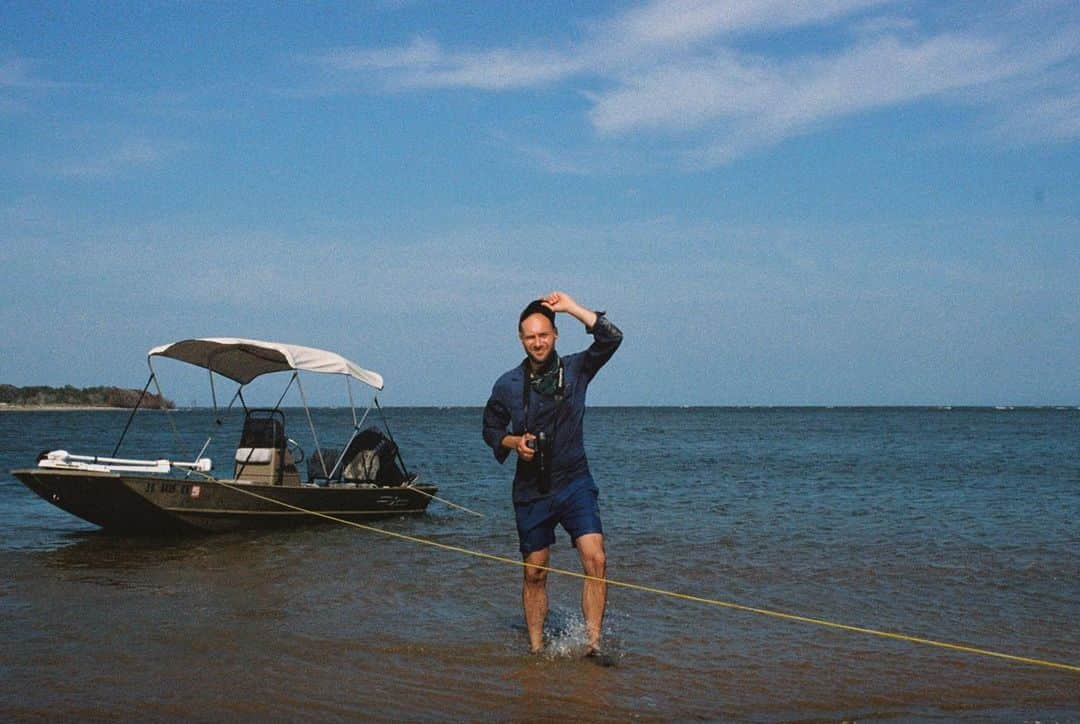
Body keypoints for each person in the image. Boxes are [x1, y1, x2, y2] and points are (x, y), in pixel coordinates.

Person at [482, 291, 623, 656]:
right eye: (530, 337)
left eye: (543, 334)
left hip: (575, 481)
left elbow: (612, 337)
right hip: (532, 489)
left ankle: (591, 644)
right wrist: (515, 442)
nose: (538, 342)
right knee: (535, 572)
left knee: (597, 558)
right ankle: (536, 648)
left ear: (555, 335)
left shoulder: (576, 369)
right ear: (521, 339)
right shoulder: (508, 384)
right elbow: (490, 429)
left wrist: (573, 308)